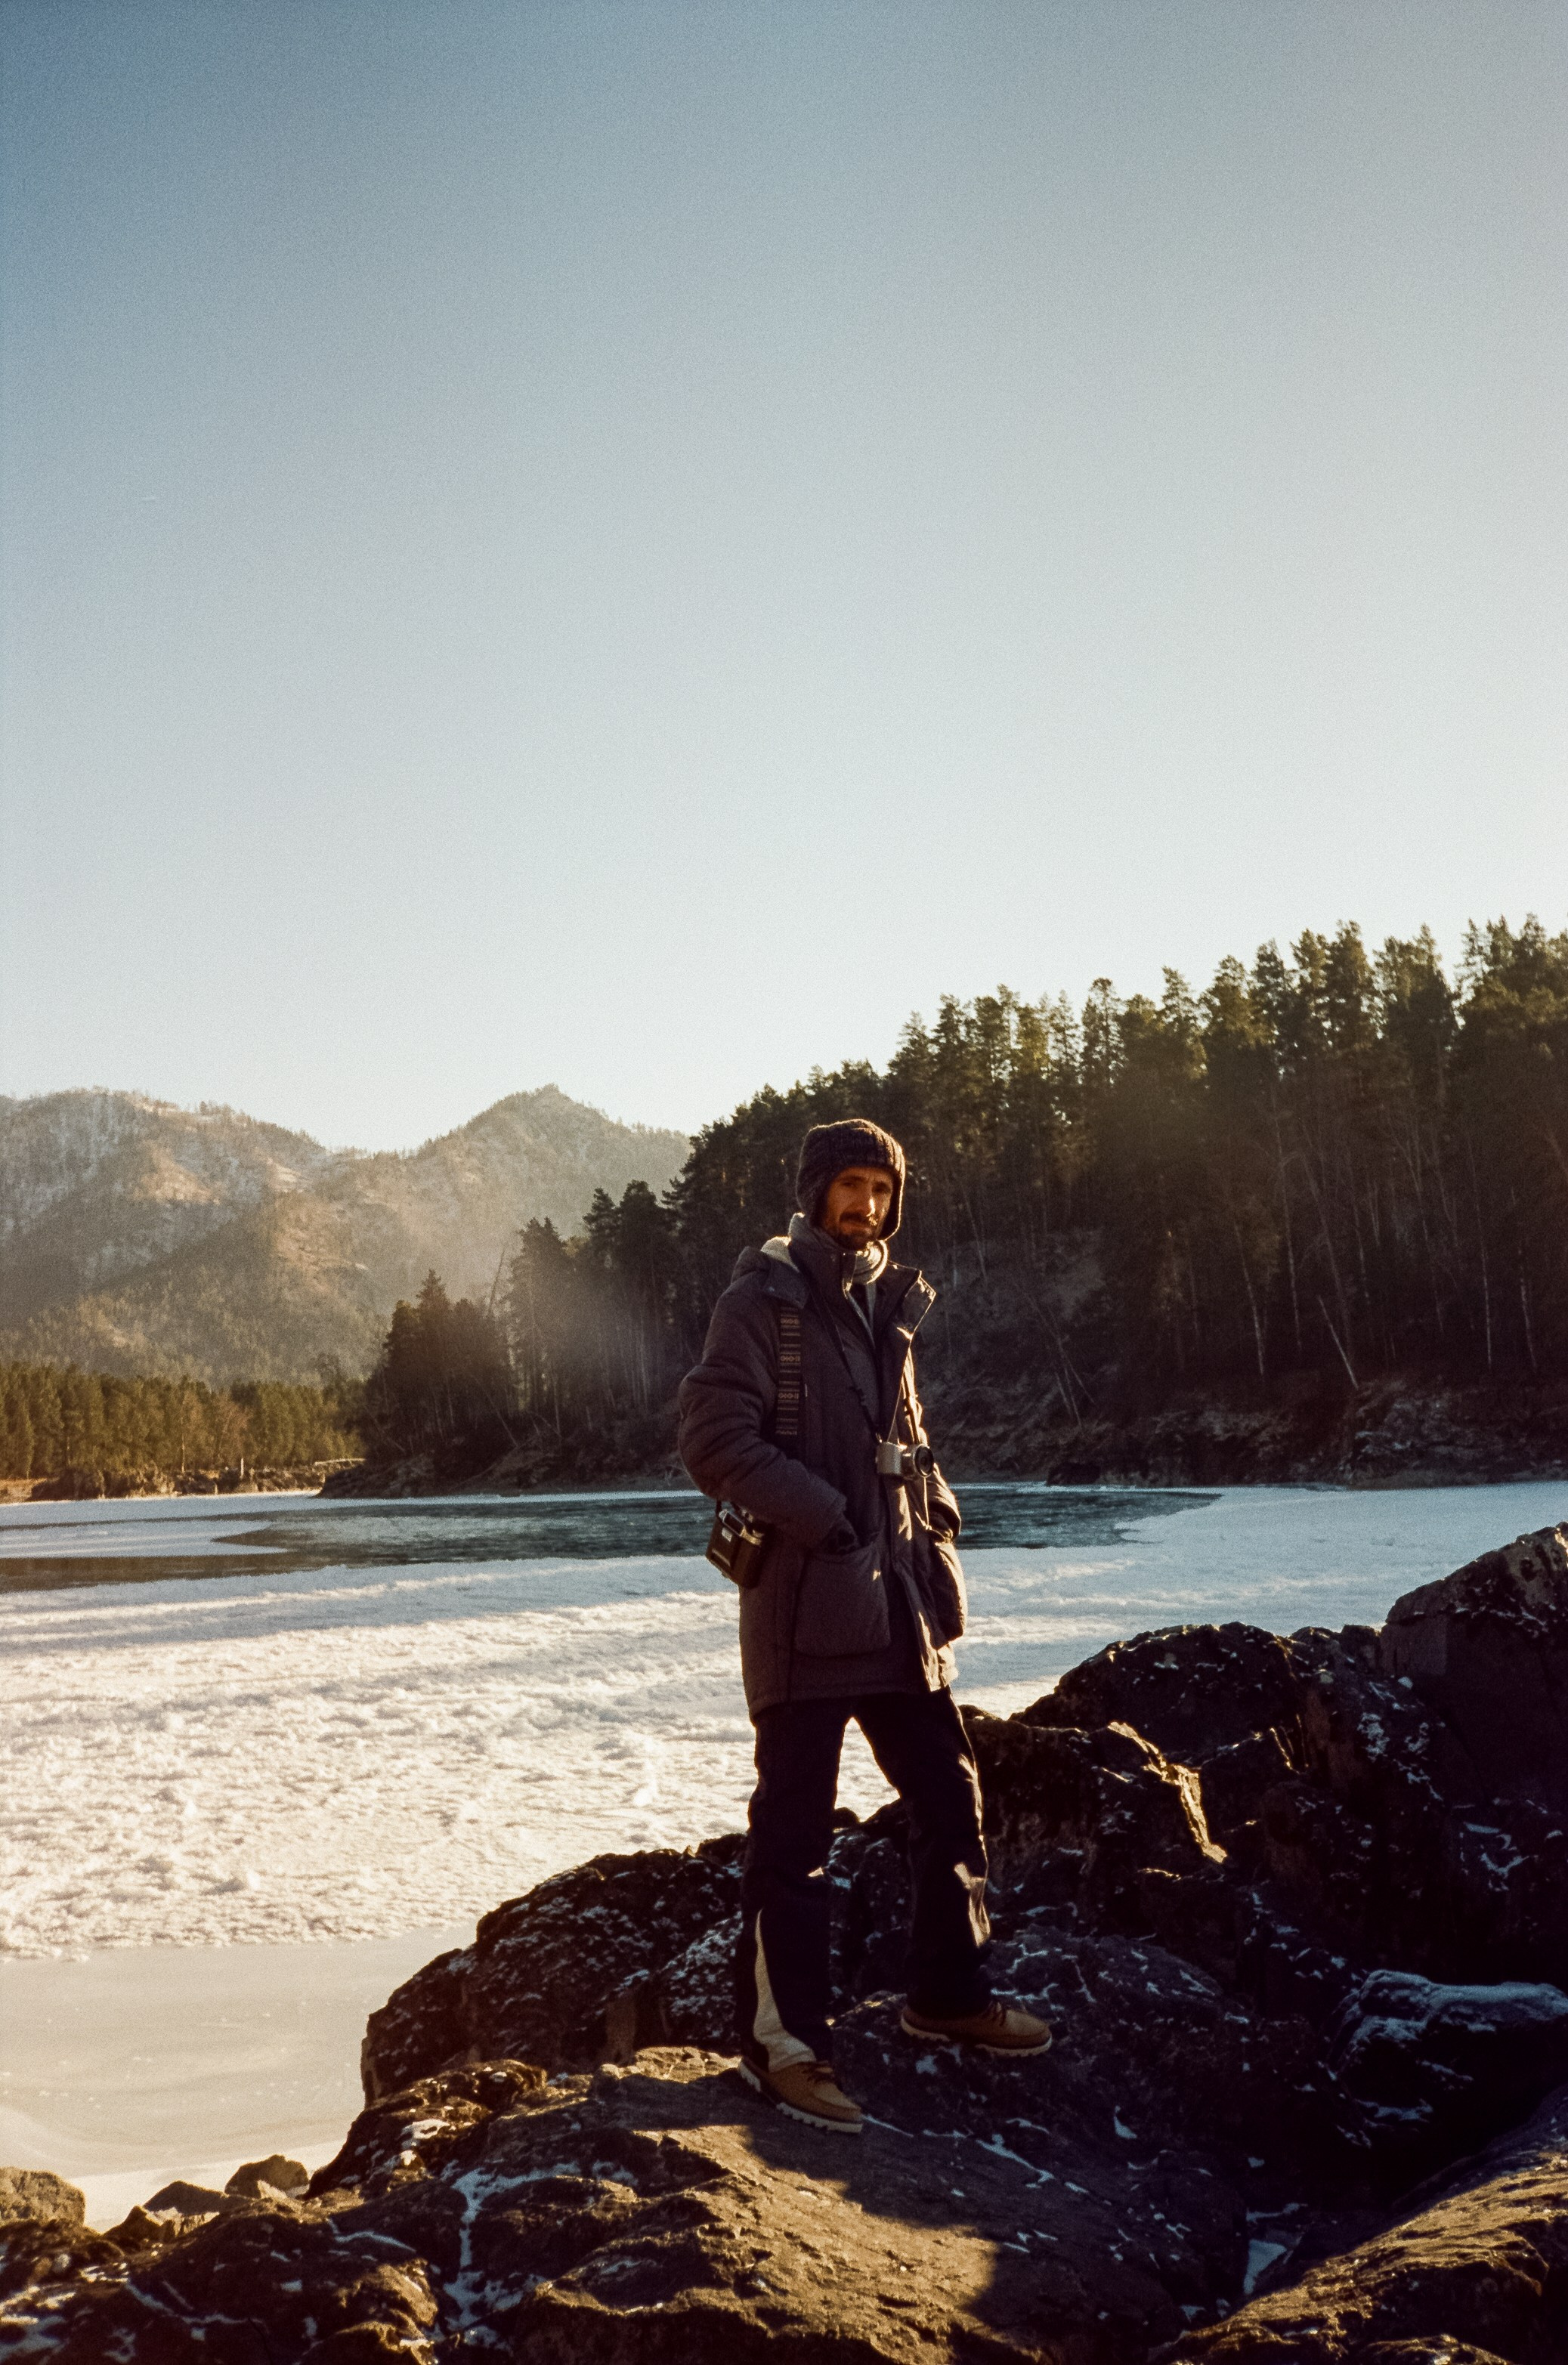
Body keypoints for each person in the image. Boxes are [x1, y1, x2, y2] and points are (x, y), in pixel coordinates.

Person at [677, 1118, 1049, 2135]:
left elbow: (908, 1443)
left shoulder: (892, 1302)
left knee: (950, 1790)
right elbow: (713, 1437)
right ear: (814, 1192)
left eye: (883, 1191)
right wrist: (828, 1518)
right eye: (851, 1187)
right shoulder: (760, 1303)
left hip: (895, 1603)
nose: (868, 1207)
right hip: (806, 1603)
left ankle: (949, 1996)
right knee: (793, 1836)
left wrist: (933, 1520)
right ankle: (784, 2048)